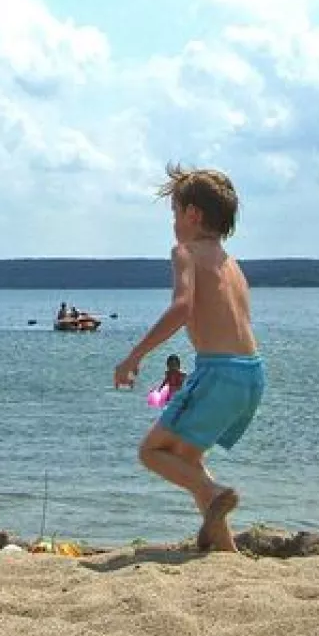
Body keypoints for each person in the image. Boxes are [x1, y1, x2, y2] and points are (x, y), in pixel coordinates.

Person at [113, 164, 263, 554]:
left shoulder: (185, 252)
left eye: (175, 214)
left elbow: (182, 309)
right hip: (252, 374)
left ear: (192, 214)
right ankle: (224, 549)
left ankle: (214, 493)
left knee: (152, 452)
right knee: (189, 458)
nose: (174, 224)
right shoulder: (231, 263)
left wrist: (134, 355)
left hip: (219, 371)